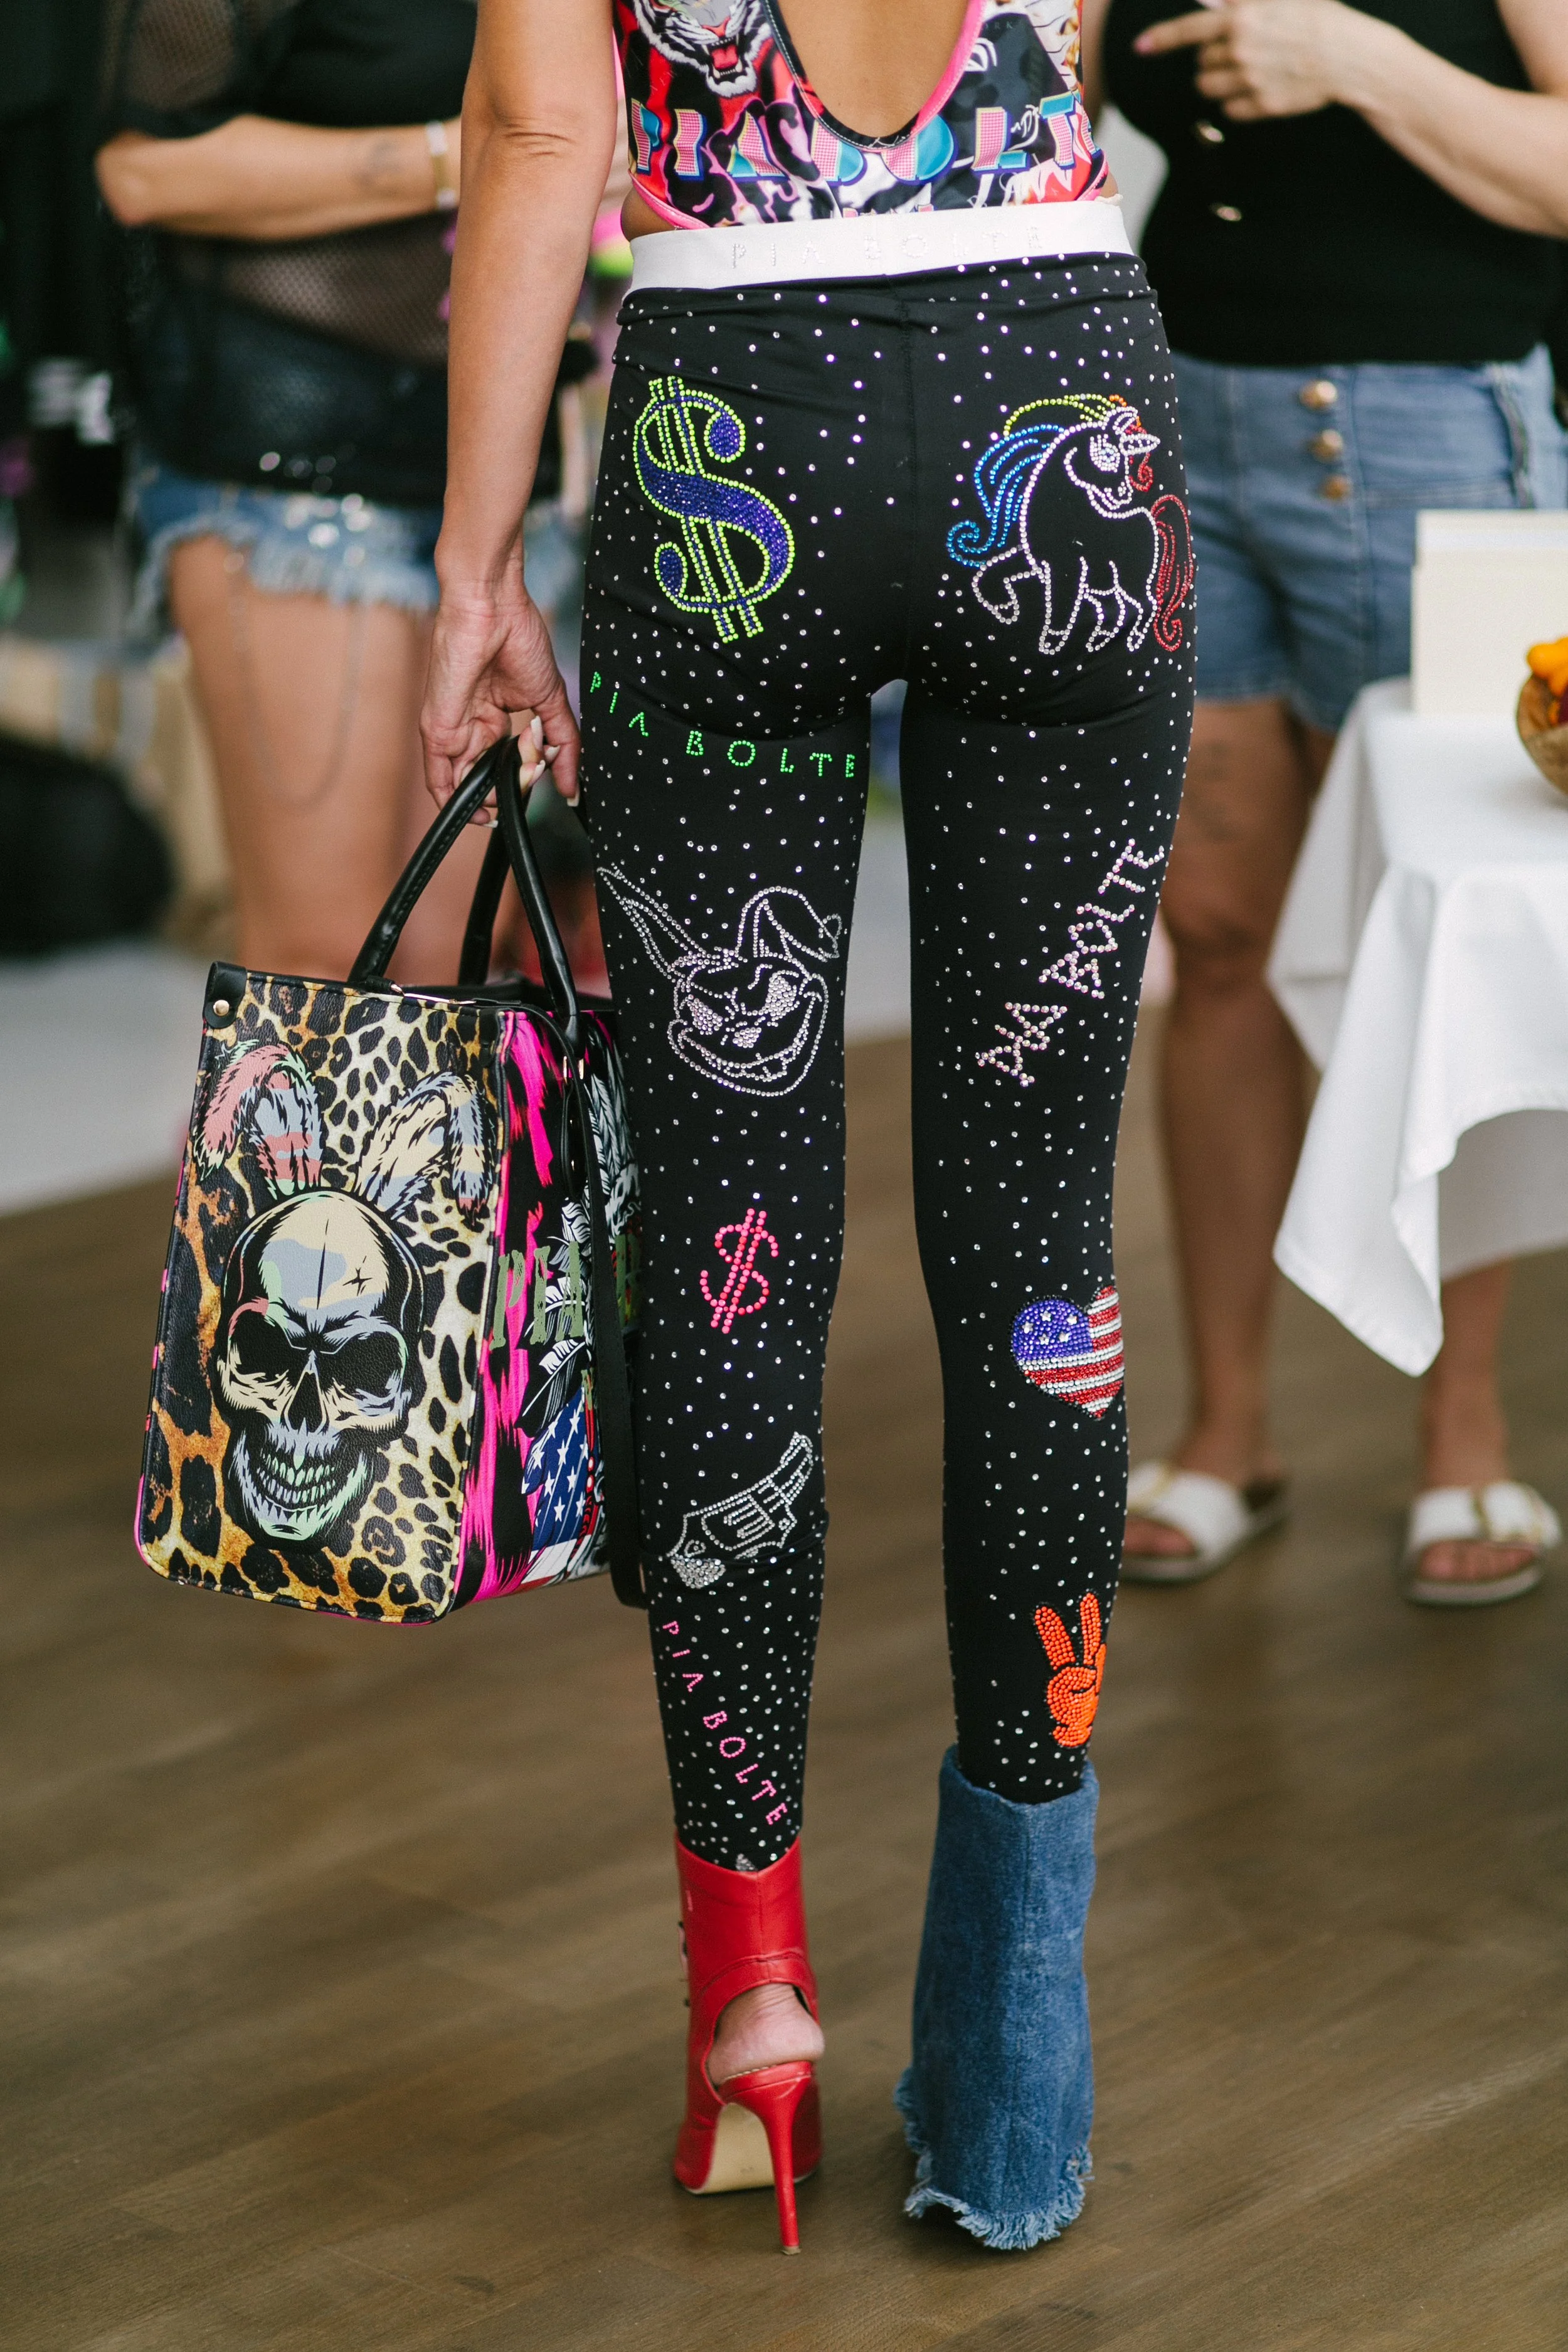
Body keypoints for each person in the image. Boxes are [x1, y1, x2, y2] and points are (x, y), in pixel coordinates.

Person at [423, 0, 1195, 2256]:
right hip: (1057, 363)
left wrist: (479, 573)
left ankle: (752, 2007)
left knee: (739, 1242)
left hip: (725, 419)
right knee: (1041, 1245)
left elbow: (544, 118)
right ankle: (1020, 2073)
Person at [1078, 0, 1568, 1601]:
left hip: (1436, 438)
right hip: (1171, 424)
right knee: (1211, 945)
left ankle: (1464, 1446)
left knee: (1438, 947)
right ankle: (1226, 1437)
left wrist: (1351, 58)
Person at [95, 0, 496, 981]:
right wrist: (483, 154)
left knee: (451, 977)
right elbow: (143, 166)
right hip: (288, 467)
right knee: (317, 973)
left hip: (488, 483)